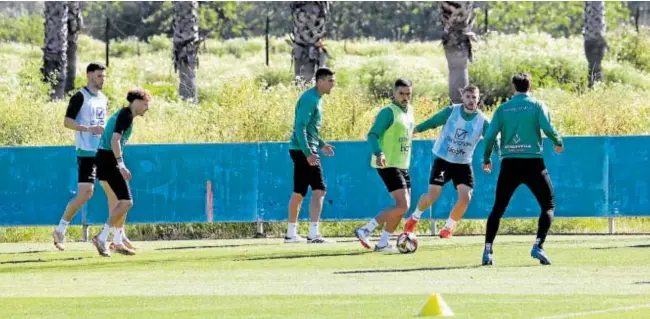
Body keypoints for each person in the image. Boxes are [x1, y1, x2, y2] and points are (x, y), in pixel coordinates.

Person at [481, 72, 563, 266]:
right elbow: (547, 127)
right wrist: (557, 141)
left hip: (510, 164)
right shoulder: (536, 105)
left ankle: (488, 251)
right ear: (530, 86)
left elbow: (490, 136)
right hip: (533, 163)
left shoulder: (503, 109)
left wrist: (486, 158)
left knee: (498, 208)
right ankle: (538, 245)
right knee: (548, 205)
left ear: (513, 87)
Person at [403, 85, 497, 238]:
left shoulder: (482, 121)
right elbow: (433, 122)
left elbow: (491, 140)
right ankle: (414, 218)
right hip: (443, 159)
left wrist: (490, 158)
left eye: (474, 97)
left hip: (463, 163)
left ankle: (448, 228)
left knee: (466, 197)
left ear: (478, 99)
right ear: (463, 97)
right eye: (468, 97)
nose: (471, 100)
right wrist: (415, 130)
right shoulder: (451, 111)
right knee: (433, 195)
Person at [354, 79, 415, 252]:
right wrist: (379, 153)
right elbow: (372, 135)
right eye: (401, 93)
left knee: (403, 208)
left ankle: (383, 243)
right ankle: (365, 229)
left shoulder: (410, 111)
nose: (405, 97)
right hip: (388, 163)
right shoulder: (388, 112)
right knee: (402, 205)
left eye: (408, 93)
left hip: (402, 163)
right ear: (394, 93)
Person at [52, 63, 108, 251]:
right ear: (90, 75)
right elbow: (67, 122)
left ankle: (114, 237)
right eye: (100, 75)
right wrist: (88, 129)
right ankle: (60, 230)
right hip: (86, 152)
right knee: (86, 193)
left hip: (103, 153)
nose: (103, 79)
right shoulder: (80, 97)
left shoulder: (103, 99)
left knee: (117, 193)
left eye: (104, 76)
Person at [92, 89, 151, 257]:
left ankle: (117, 241)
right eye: (145, 104)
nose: (147, 108)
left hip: (104, 159)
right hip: (108, 160)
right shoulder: (125, 116)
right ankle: (101, 237)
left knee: (117, 203)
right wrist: (121, 164)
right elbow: (114, 140)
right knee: (126, 202)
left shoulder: (126, 115)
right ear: (136, 102)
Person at [285, 67, 336, 244]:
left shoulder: (316, 99)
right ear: (320, 81)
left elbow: (310, 129)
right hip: (303, 150)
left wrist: (321, 145)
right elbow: (300, 127)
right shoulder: (310, 99)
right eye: (330, 81)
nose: (332, 84)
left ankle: (291, 234)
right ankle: (313, 234)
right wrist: (308, 153)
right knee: (319, 189)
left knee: (299, 192)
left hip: (303, 149)